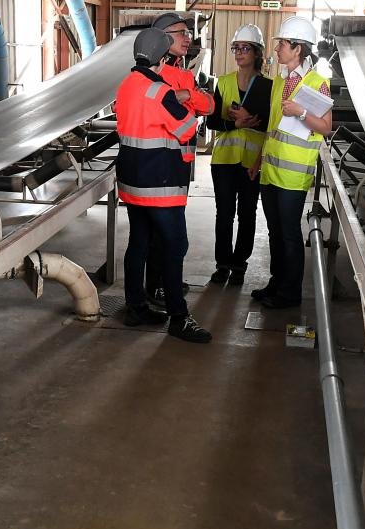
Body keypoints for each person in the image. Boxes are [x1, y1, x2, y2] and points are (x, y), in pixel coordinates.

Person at [115, 28, 212, 343]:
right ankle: (179, 318)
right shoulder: (159, 90)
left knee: (138, 244)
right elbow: (186, 129)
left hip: (131, 183)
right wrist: (189, 102)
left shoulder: (127, 85)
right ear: (162, 57)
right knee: (174, 247)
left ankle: (136, 307)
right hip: (160, 184)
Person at [251, 16, 332, 309]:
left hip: (293, 174)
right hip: (271, 170)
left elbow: (324, 127)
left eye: (282, 44)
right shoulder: (278, 83)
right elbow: (272, 128)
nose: (277, 49)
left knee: (288, 234)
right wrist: (259, 161)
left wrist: (300, 112)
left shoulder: (316, 83)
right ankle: (276, 283)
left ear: (298, 48)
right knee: (275, 231)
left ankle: (290, 293)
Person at [145, 12, 214, 307]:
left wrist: (189, 96)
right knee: (163, 233)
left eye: (188, 33)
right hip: (162, 162)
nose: (188, 38)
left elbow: (207, 105)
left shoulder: (182, 72)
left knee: (167, 231)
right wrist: (190, 97)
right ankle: (158, 287)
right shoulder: (159, 74)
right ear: (161, 38)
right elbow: (195, 105)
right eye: (180, 33)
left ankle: (166, 280)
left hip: (180, 161)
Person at [204, 24, 272, 287]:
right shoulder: (223, 82)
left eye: (245, 48)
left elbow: (273, 126)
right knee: (224, 213)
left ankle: (240, 264)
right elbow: (211, 124)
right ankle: (222, 264)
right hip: (224, 160)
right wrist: (237, 124)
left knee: (247, 213)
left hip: (251, 162)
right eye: (236, 48)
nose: (239, 53)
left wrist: (254, 124)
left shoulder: (269, 86)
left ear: (256, 53)